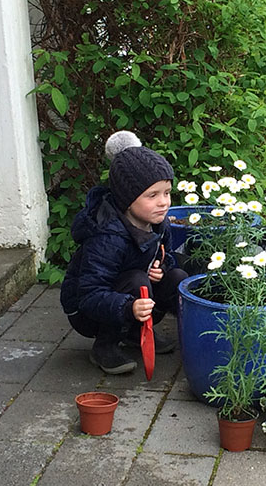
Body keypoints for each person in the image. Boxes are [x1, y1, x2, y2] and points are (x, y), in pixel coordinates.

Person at [60, 131, 188, 374]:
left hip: (133, 293)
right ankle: (104, 347)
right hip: (87, 310)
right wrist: (129, 308)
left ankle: (137, 333)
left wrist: (162, 266)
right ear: (127, 200)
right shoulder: (106, 236)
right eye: (152, 195)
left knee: (177, 278)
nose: (163, 202)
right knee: (137, 280)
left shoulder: (159, 223)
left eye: (167, 192)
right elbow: (89, 294)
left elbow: (166, 254)